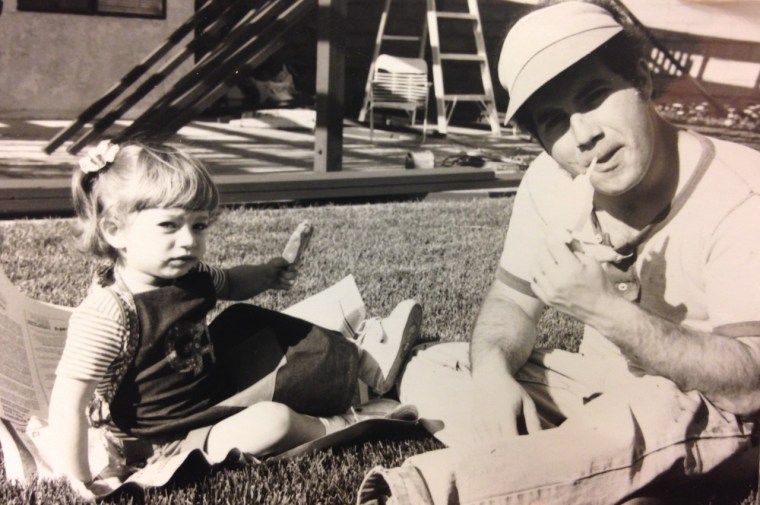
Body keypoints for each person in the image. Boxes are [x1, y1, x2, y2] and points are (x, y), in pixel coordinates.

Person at [356, 1, 760, 504]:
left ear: (642, 80)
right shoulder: (550, 181)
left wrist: (607, 312)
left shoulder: (743, 195)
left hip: (704, 413)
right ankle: (591, 475)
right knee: (437, 366)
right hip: (594, 397)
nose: (584, 135)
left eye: (594, 96)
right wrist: (493, 377)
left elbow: (750, 388)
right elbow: (511, 302)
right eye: (554, 122)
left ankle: (428, 491)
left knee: (659, 407)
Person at [47, 140, 422, 499]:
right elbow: (69, 400)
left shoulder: (189, 276)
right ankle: (342, 422)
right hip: (165, 439)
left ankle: (359, 367)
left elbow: (231, 283)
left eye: (199, 225)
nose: (188, 241)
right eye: (169, 225)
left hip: (213, 391)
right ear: (115, 231)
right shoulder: (109, 313)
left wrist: (267, 274)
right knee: (274, 422)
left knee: (250, 323)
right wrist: (79, 478)